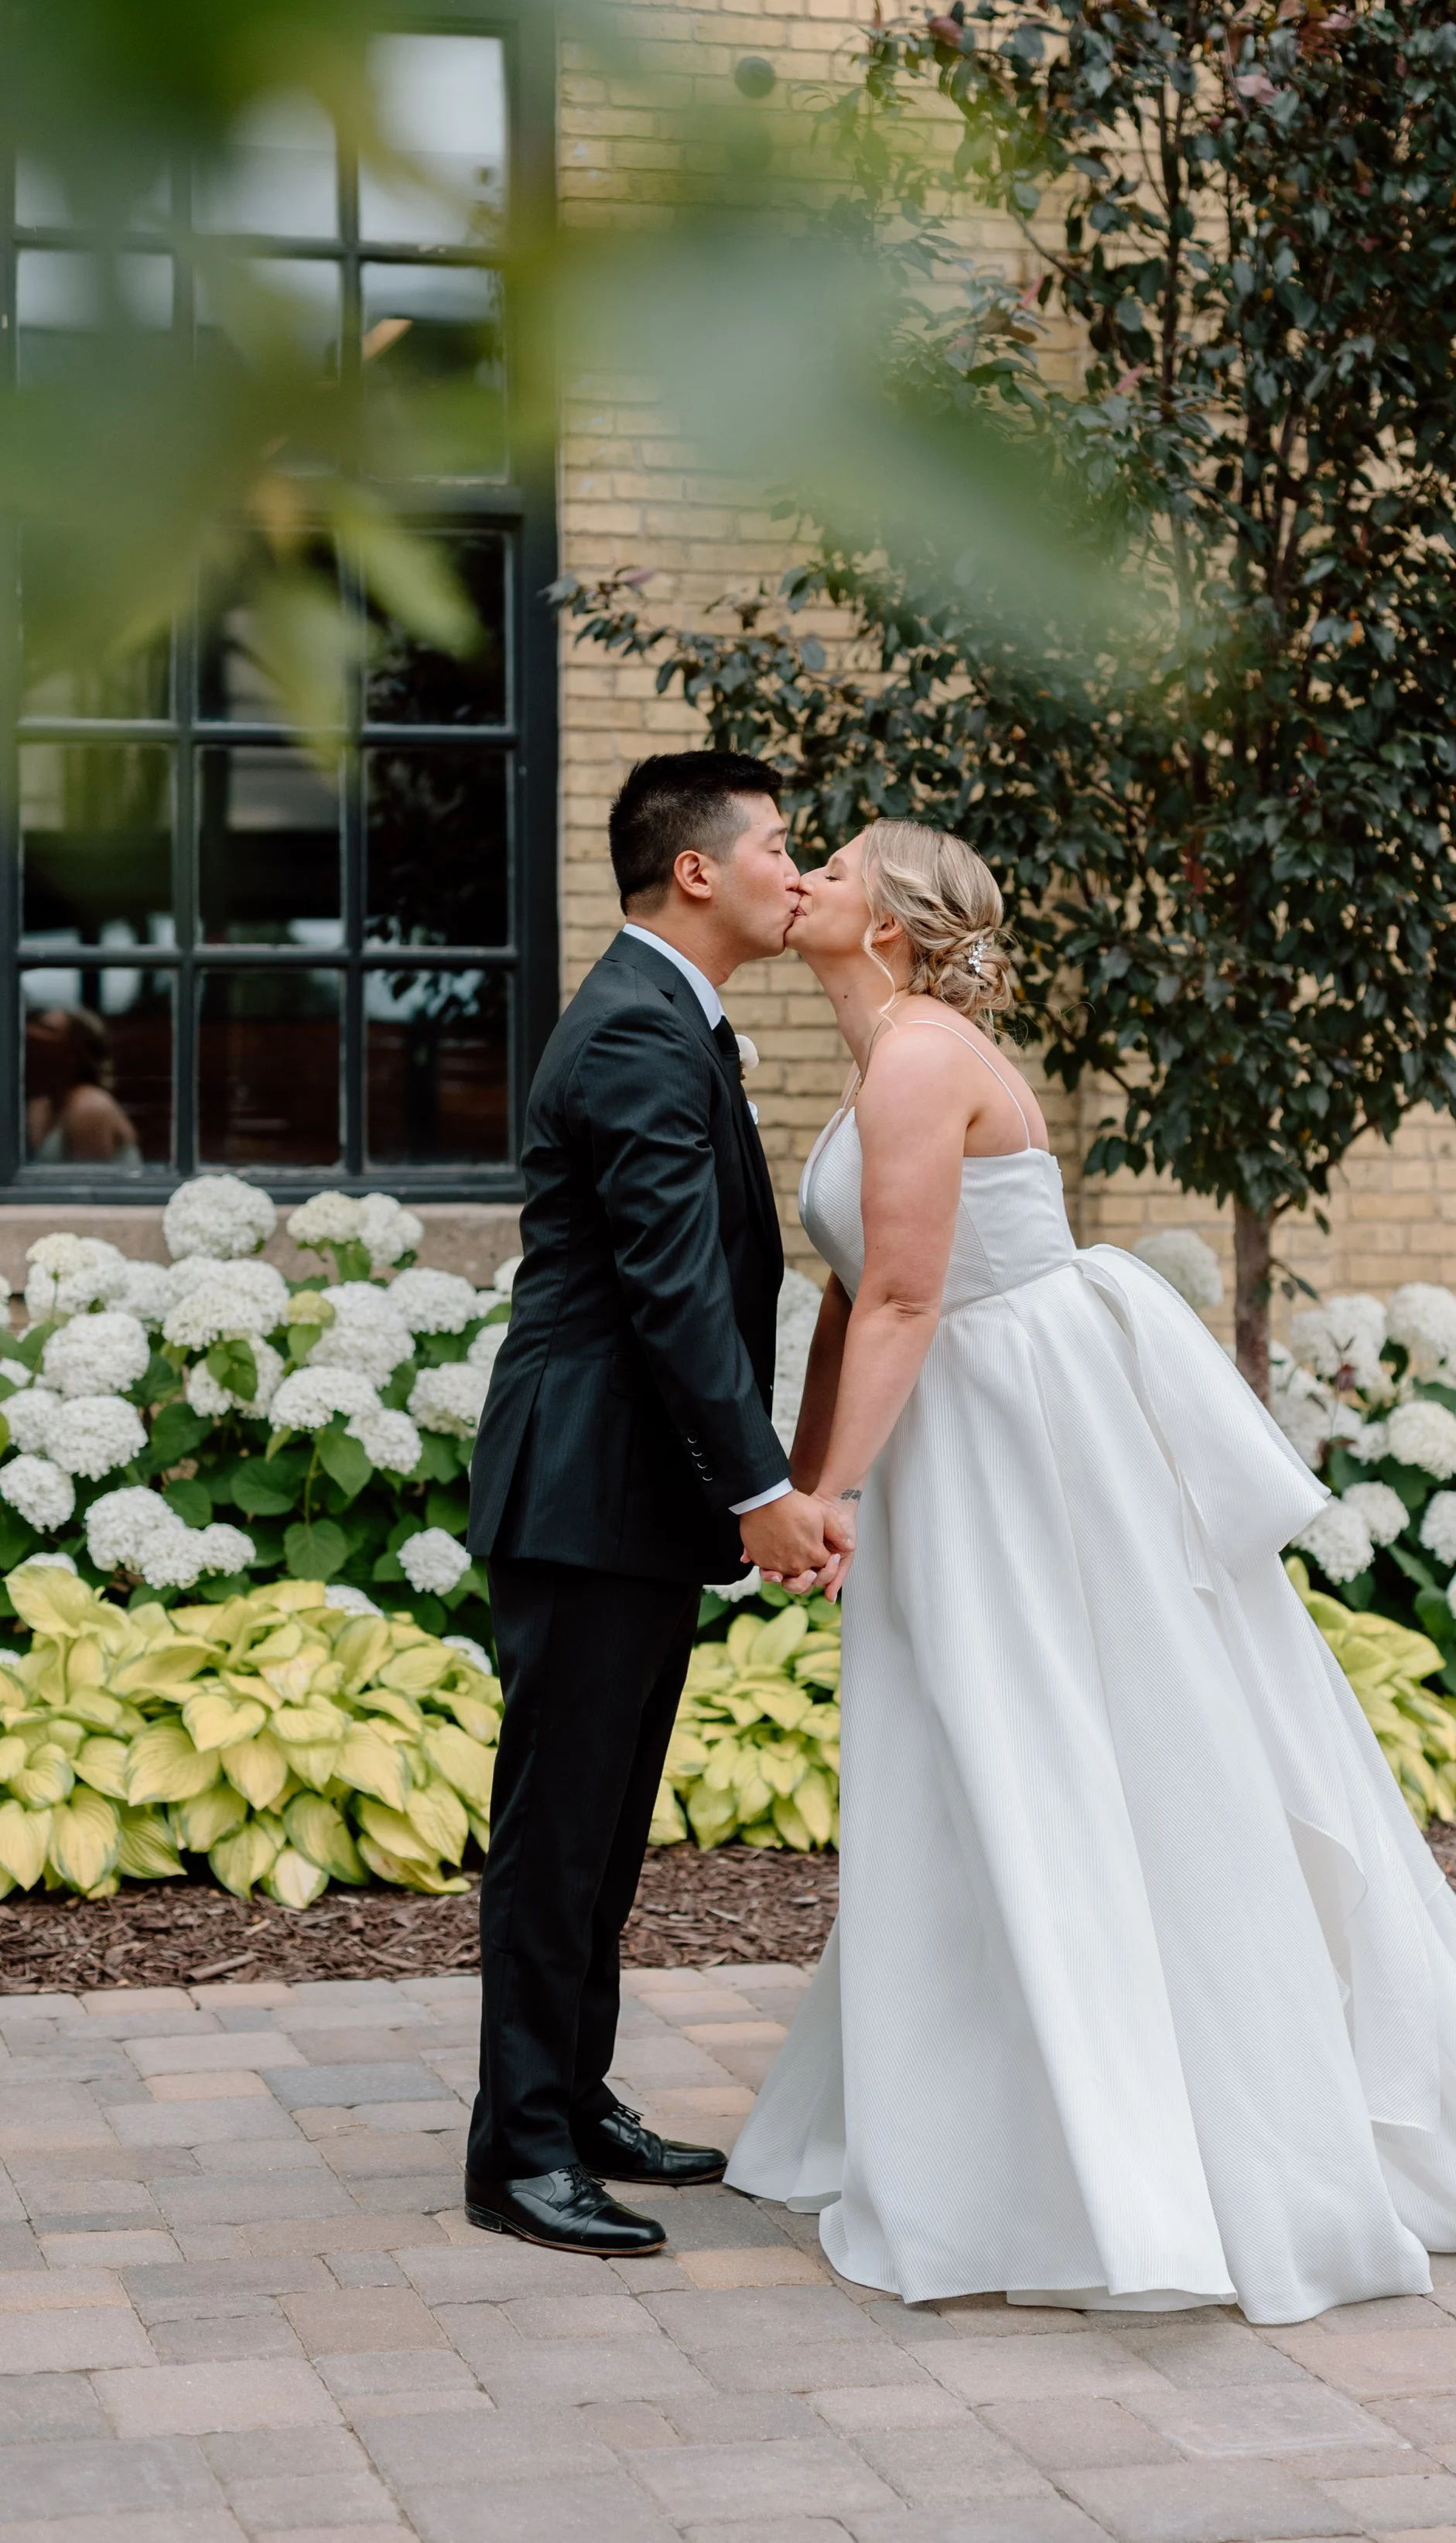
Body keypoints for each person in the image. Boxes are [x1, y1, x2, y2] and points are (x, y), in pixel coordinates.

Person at [725, 817, 1456, 2320]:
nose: (807, 874)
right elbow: (846, 1302)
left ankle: (1112, 2150)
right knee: (962, 1748)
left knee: (1039, 1742)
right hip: (959, 1439)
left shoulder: (918, 1057)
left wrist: (826, 1491)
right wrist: (808, 1475)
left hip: (1014, 1446)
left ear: (887, 917)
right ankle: (977, 2117)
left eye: (834, 863)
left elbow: (902, 1293)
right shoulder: (879, 1054)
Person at [464, 751, 846, 2257]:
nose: (795, 873)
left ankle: (570, 2092)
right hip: (587, 1489)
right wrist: (756, 1481)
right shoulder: (632, 1029)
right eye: (778, 848)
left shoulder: (665, 1016)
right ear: (696, 869)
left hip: (622, 1493)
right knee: (557, 1831)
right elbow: (672, 1288)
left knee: (604, 1826)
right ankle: (518, 2152)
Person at [25, 1007, 142, 1168]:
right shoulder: (40, 1104)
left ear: (74, 1052)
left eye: (47, 1029)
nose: (30, 1034)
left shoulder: (90, 1107)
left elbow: (91, 1186)